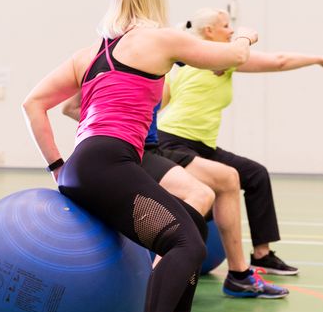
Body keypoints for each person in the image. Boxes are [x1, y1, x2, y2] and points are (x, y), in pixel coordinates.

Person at [22, 0, 257, 312]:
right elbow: (233, 59)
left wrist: (57, 165)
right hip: (111, 161)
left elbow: (33, 103)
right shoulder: (159, 38)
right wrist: (244, 35)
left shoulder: (90, 53)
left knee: (186, 218)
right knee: (187, 244)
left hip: (82, 166)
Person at [158, 7, 323, 277]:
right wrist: (318, 59)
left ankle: (262, 255)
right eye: (226, 26)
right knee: (218, 185)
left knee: (255, 175)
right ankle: (192, 259)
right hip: (173, 141)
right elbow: (279, 60)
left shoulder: (188, 60)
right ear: (209, 31)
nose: (231, 31)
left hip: (200, 144)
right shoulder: (217, 59)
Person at [62, 96, 288, 299]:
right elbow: (69, 107)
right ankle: (155, 289)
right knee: (199, 194)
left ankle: (238, 276)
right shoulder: (112, 64)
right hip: (129, 151)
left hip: (154, 148)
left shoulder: (161, 69)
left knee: (228, 178)